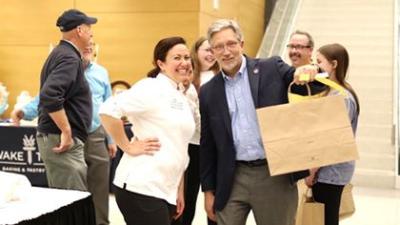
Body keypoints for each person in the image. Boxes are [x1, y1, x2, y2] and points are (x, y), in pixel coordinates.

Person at [199, 19, 319, 225]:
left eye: (231, 44)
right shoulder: (209, 91)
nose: (226, 52)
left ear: (241, 44)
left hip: (273, 174)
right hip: (232, 176)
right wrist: (208, 191)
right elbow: (207, 144)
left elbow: (304, 83)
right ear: (213, 51)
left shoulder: (271, 67)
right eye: (219, 47)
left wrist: (308, 72)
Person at [13, 40, 116, 225]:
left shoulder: (101, 73)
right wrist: (23, 111)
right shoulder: (64, 66)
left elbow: (109, 108)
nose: (88, 48)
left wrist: (111, 139)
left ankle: (100, 223)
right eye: (85, 46)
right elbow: (44, 96)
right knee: (72, 189)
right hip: (69, 135)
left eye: (91, 46)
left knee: (99, 188)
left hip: (95, 134)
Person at [99, 36, 195, 225]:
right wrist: (127, 146)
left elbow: (179, 146)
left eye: (187, 57)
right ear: (161, 63)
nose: (184, 63)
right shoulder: (150, 88)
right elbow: (107, 111)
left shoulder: (182, 95)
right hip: (141, 187)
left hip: (166, 189)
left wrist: (178, 189)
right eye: (177, 58)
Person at [36, 8, 96, 192]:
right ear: (79, 30)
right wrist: (66, 130)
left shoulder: (61, 53)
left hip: (56, 137)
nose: (91, 32)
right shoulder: (69, 57)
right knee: (71, 205)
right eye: (88, 27)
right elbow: (50, 94)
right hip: (61, 140)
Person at [305, 43, 360, 225]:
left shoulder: (341, 97)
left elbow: (330, 141)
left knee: (326, 219)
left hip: (330, 171)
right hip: (329, 170)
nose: (315, 66)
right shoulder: (331, 92)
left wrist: (312, 171)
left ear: (334, 64)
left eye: (319, 62)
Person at [172, 37, 219, 225]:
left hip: (214, 146)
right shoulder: (187, 78)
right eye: (206, 50)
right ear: (196, 52)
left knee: (215, 197)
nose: (211, 54)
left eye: (213, 50)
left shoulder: (222, 77)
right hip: (191, 144)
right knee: (187, 196)